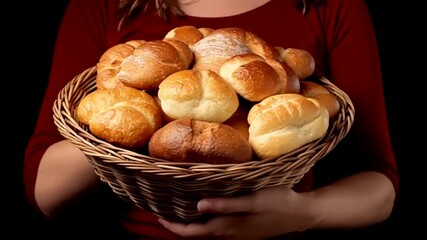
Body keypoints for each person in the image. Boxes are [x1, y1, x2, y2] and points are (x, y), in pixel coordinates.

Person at [23, 0, 399, 239]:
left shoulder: (332, 5)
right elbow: (44, 191)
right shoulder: (104, 5)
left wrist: (304, 213)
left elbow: (380, 185)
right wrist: (123, 134)